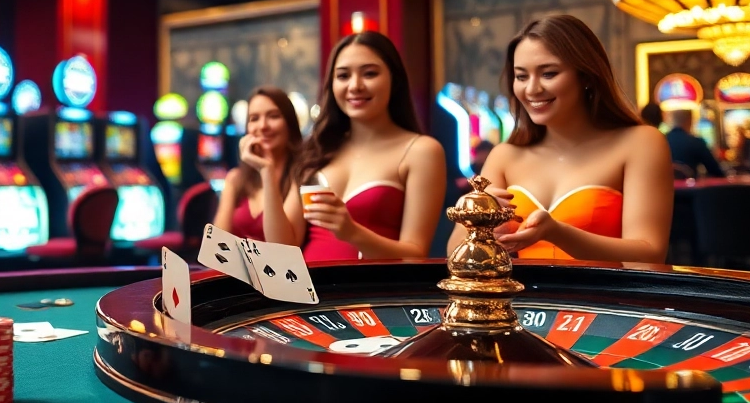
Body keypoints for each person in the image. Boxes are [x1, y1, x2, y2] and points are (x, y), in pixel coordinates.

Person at [447, 15, 672, 262]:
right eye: (521, 76)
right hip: (519, 288)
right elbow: (455, 256)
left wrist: (558, 233)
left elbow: (649, 255)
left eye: (549, 74)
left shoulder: (641, 143)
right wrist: (472, 214)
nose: (532, 89)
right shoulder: (504, 155)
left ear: (586, 76)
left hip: (606, 288)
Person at [261, 31, 445, 260]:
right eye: (343, 76)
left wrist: (352, 233)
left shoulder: (422, 151)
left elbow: (415, 256)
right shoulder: (317, 149)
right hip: (307, 283)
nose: (355, 85)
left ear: (394, 79)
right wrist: (266, 172)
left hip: (374, 284)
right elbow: (281, 249)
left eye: (370, 74)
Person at [215, 87, 302, 241]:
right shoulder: (235, 179)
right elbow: (216, 244)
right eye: (254, 118)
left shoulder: (301, 176)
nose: (263, 126)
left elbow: (284, 248)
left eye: (273, 116)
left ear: (289, 123)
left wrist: (266, 170)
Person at [664, 109, 724, 178]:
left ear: (671, 121)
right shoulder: (696, 142)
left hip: (662, 184)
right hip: (690, 184)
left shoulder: (661, 142)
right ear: (689, 121)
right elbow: (715, 171)